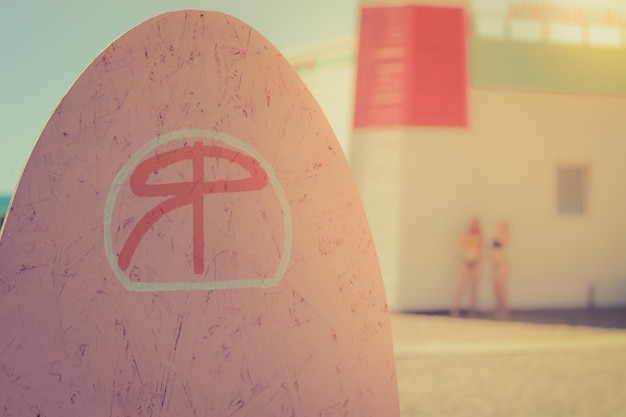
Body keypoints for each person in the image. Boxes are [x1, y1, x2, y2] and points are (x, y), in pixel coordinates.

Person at [452, 218, 483, 317]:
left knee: (473, 288)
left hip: (475, 263)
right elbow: (460, 247)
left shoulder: (479, 236)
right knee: (460, 286)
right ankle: (455, 309)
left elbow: (481, 250)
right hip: (465, 262)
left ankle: (471, 310)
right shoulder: (465, 235)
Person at [491, 221, 510, 319]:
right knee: (496, 289)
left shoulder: (504, 238)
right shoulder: (497, 238)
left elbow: (504, 249)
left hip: (501, 265)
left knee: (501, 289)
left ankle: (504, 311)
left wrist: (503, 231)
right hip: (495, 265)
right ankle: (498, 309)